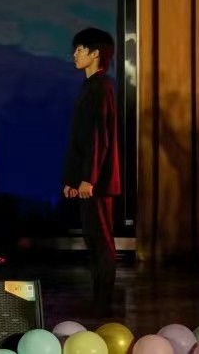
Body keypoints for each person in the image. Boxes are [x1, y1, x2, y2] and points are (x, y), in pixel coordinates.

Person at [62, 27, 120, 316]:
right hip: (88, 180)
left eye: (80, 49)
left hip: (97, 182)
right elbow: (80, 139)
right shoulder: (89, 87)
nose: (75, 54)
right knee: (93, 241)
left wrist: (89, 178)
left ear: (95, 53)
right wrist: (72, 180)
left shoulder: (101, 87)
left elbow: (99, 138)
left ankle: (104, 303)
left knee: (101, 241)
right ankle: (98, 301)